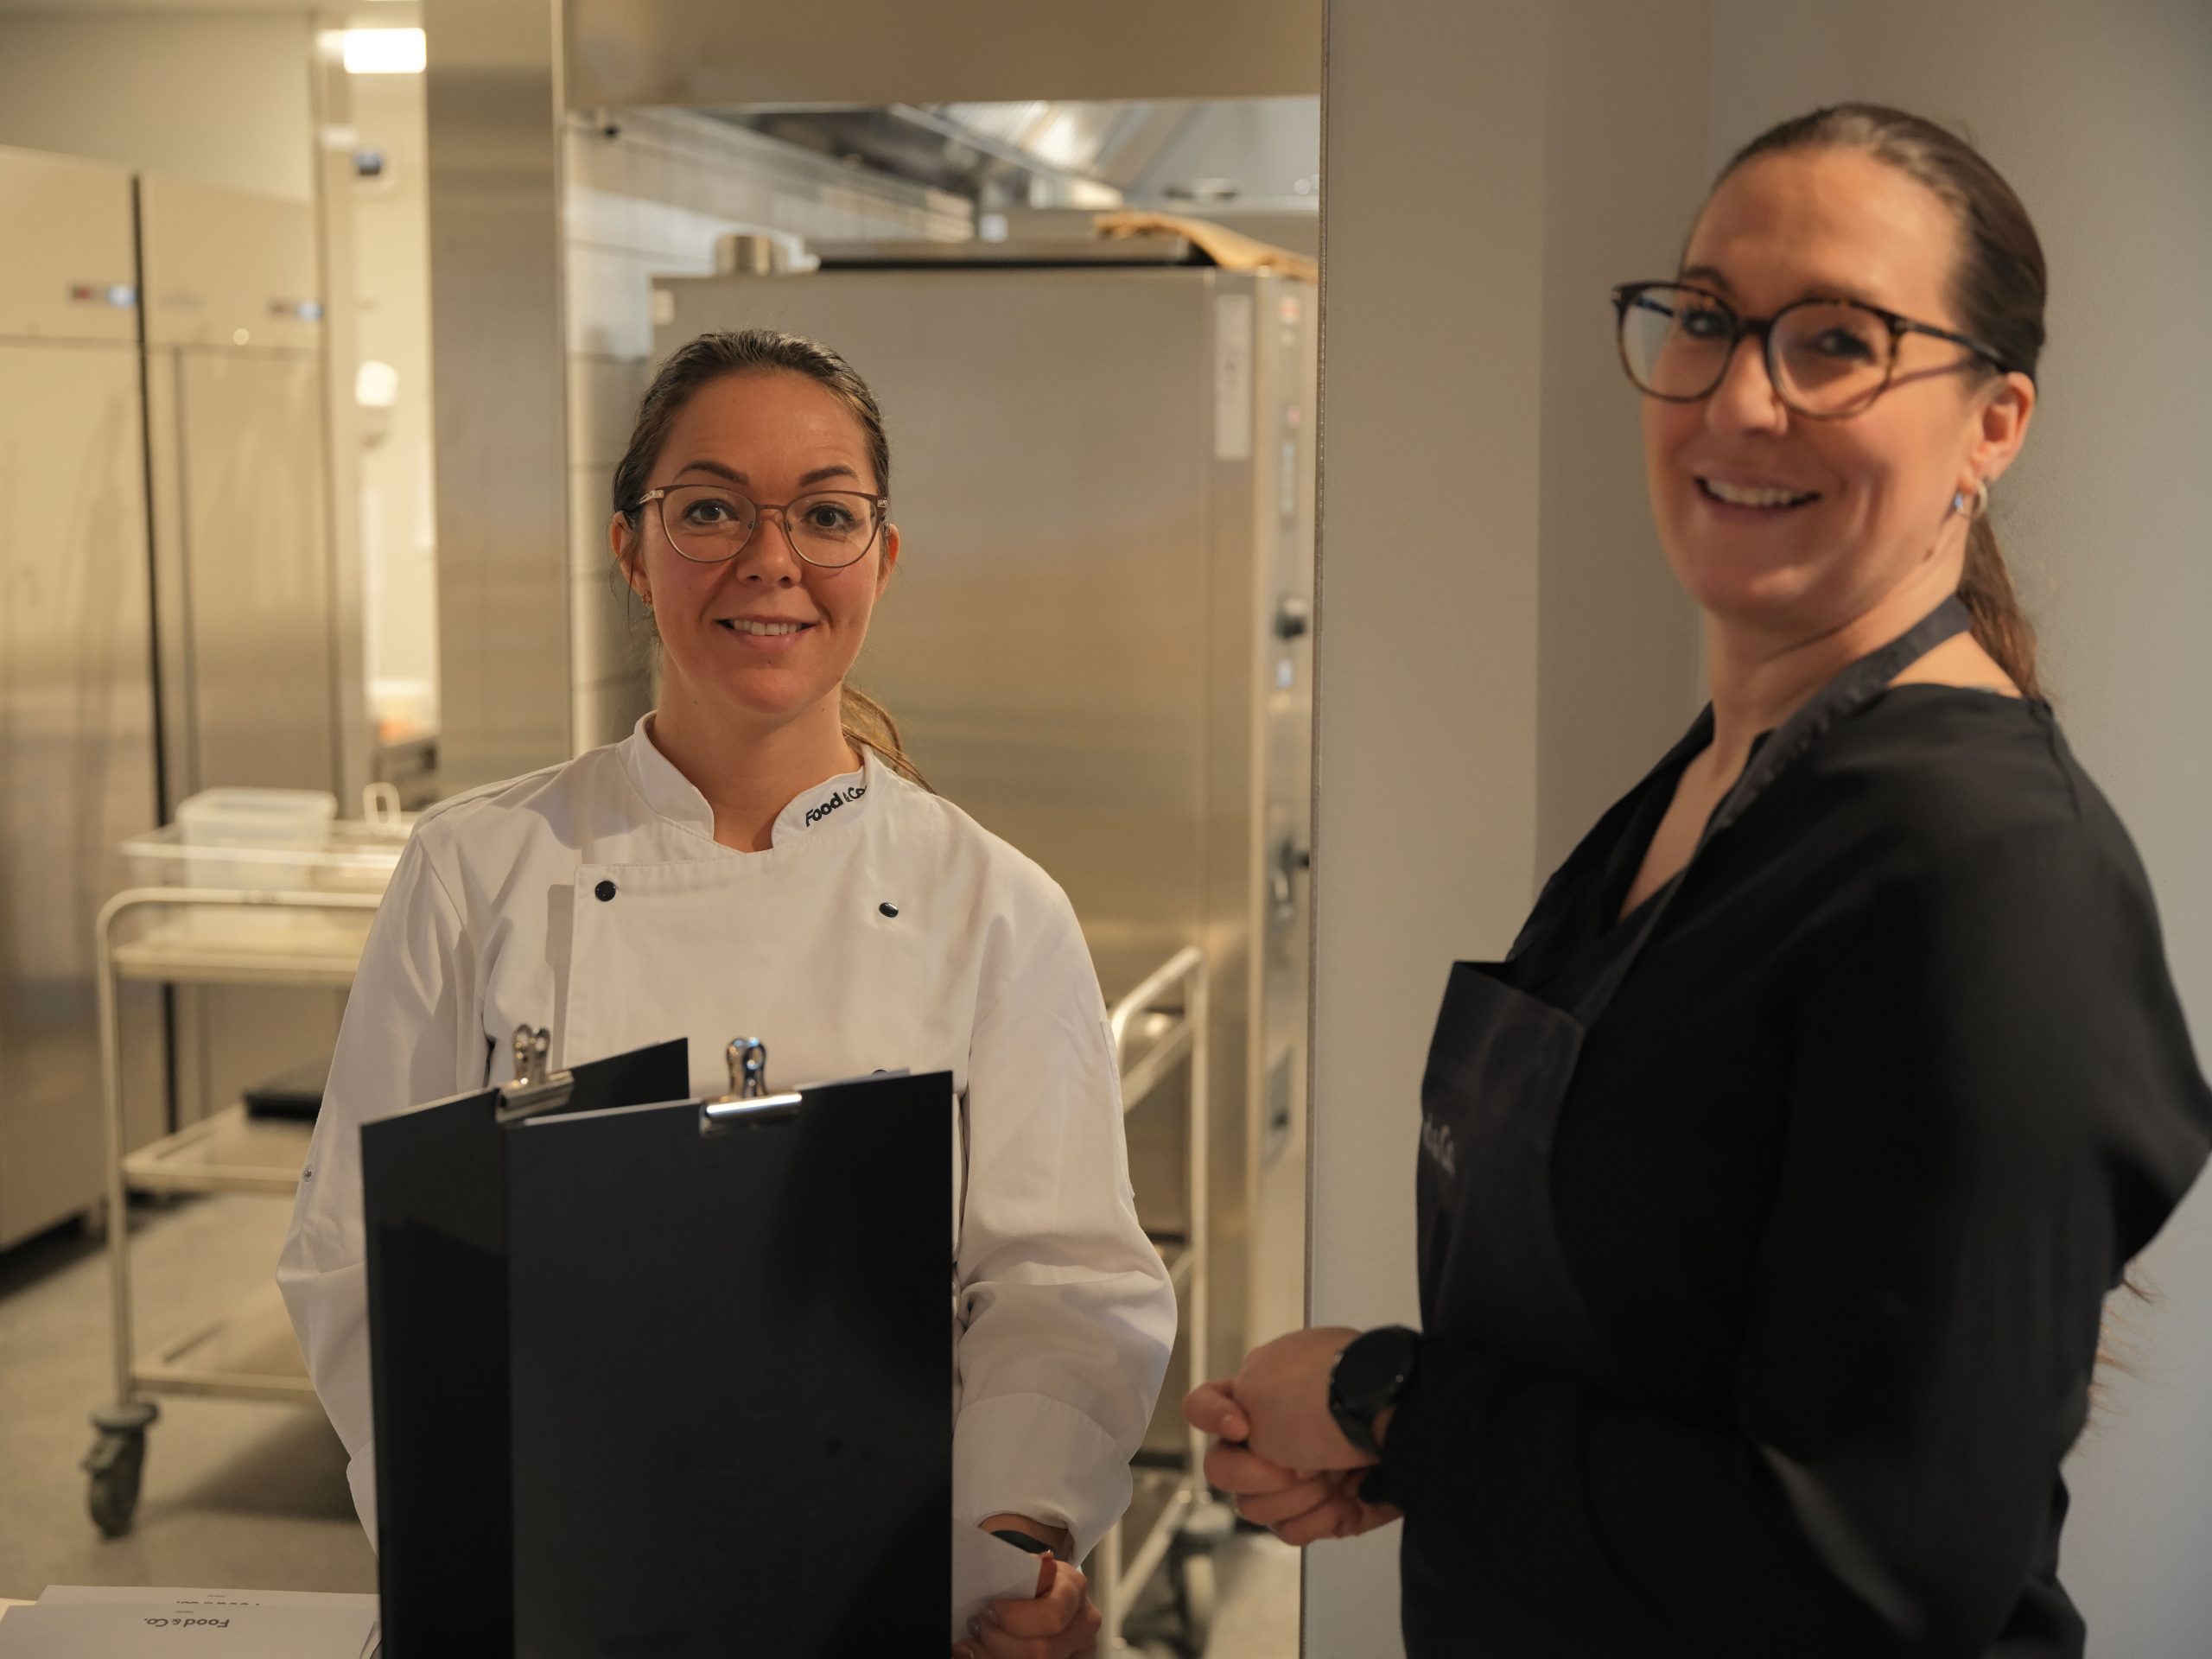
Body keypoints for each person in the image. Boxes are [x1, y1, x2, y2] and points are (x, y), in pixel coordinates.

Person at [1187, 105, 2212, 1656]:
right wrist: (1412, 1459)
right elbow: (1660, 1349)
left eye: (1838, 343)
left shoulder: (1992, 874)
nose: (1739, 398)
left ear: (1992, 426)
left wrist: (1392, 1400)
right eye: (1708, 320)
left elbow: (1865, 1576)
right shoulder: (1719, 778)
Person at [280, 328, 1174, 1659]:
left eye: (825, 515)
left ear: (882, 556)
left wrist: (1006, 1543)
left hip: (890, 1573)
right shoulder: (477, 869)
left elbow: (1058, 1279)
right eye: (709, 510)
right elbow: (365, 1252)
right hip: (553, 1567)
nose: (771, 559)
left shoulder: (994, 906)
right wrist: (485, 1527)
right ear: (632, 551)